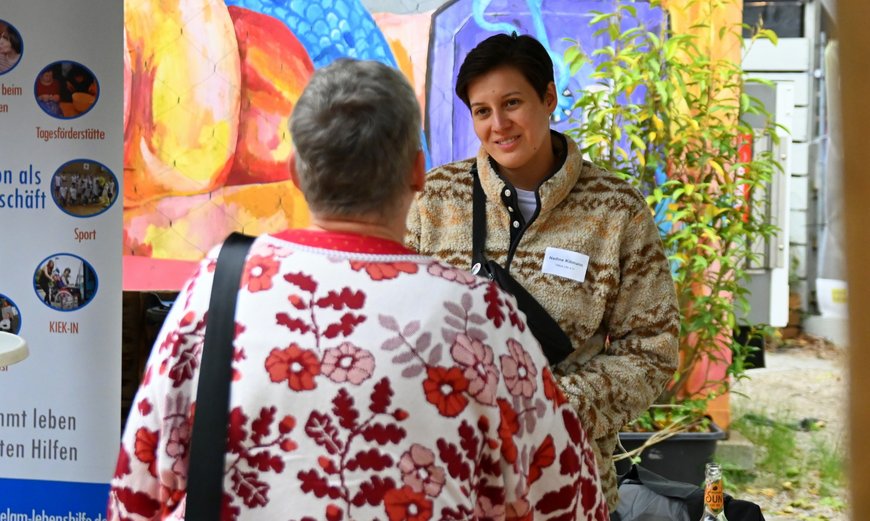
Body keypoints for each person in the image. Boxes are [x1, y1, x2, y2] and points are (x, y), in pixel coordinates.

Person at [108, 58, 609, 521]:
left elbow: (138, 490)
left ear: (295, 174)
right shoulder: (479, 316)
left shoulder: (220, 285)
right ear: (417, 172)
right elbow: (568, 499)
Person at [405, 33, 680, 511]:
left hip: (568, 482)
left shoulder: (616, 209)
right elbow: (398, 320)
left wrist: (550, 404)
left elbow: (653, 348)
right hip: (451, 480)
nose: (499, 125)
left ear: (548, 97)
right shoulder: (435, 198)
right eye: (482, 111)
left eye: (513, 103)